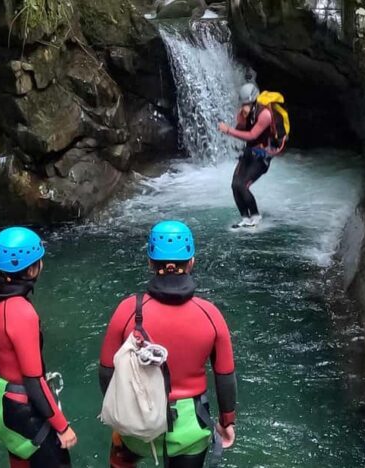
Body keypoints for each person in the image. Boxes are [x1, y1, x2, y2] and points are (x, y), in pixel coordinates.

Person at [99, 220, 238, 468]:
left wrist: (118, 422)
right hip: (190, 426)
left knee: (121, 454)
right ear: (192, 261)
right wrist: (227, 422)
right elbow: (225, 376)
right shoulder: (210, 314)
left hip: (136, 422)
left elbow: (107, 371)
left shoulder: (127, 310)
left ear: (151, 263)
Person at [0, 226, 77, 468]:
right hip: (22, 407)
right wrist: (63, 427)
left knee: (22, 457)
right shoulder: (22, 312)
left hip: (1, 400)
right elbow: (33, 380)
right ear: (32, 268)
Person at [218, 83, 289, 228]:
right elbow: (241, 128)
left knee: (243, 186)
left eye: (248, 103)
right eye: (244, 103)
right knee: (235, 185)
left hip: (262, 156)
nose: (245, 105)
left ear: (254, 100)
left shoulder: (265, 114)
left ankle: (255, 217)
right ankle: (245, 218)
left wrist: (228, 130)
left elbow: (252, 135)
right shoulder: (246, 111)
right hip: (249, 153)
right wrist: (243, 116)